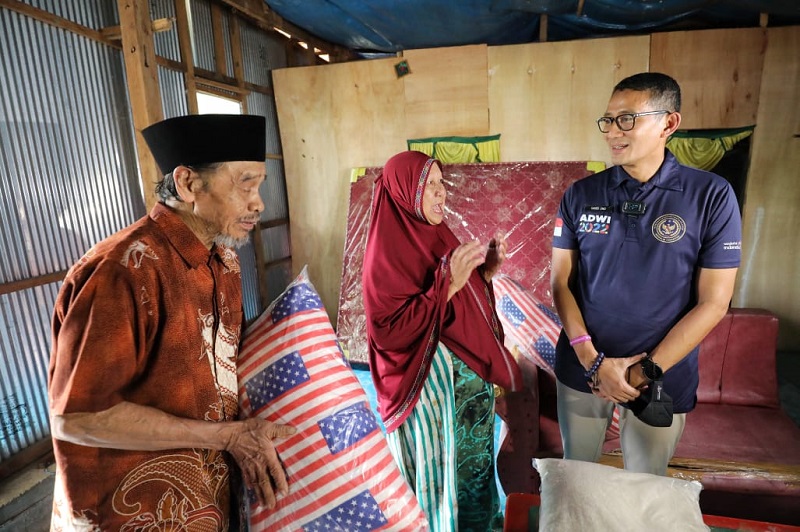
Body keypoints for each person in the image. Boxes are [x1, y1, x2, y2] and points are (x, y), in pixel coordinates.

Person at [48, 114, 295, 531]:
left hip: (207, 499)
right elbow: (76, 418)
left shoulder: (226, 261)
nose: (259, 203)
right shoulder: (123, 270)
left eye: (260, 186)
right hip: (130, 513)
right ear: (187, 183)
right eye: (245, 184)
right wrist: (228, 437)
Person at [550, 72, 742, 475]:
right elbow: (560, 282)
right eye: (608, 120)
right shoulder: (582, 194)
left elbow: (714, 302)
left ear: (668, 124)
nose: (613, 132)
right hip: (583, 370)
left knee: (645, 484)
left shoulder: (710, 195)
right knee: (577, 475)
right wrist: (592, 360)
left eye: (627, 119)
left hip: (659, 377)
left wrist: (639, 372)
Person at [362, 150, 522, 531]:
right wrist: (447, 285)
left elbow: (459, 301)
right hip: (433, 397)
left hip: (468, 401)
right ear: (404, 193)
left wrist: (484, 275)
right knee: (447, 479)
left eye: (440, 183)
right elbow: (389, 330)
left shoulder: (437, 234)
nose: (441, 194)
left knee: (475, 476)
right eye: (429, 186)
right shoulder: (383, 256)